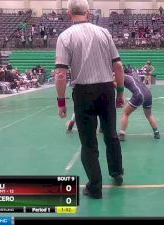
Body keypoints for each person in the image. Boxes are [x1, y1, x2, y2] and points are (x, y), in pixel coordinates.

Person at [55, 0, 125, 199]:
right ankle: (117, 172)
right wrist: (119, 92)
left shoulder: (65, 37)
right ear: (88, 12)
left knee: (88, 142)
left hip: (83, 92)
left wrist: (61, 101)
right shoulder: (104, 33)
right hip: (106, 90)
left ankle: (95, 188)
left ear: (69, 13)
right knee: (111, 134)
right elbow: (118, 67)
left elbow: (61, 74)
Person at [118, 73, 160, 141]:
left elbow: (115, 85)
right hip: (148, 94)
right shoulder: (130, 76)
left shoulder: (120, 77)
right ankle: (157, 133)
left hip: (139, 95)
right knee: (149, 115)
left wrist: (121, 97)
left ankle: (122, 134)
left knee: (125, 113)